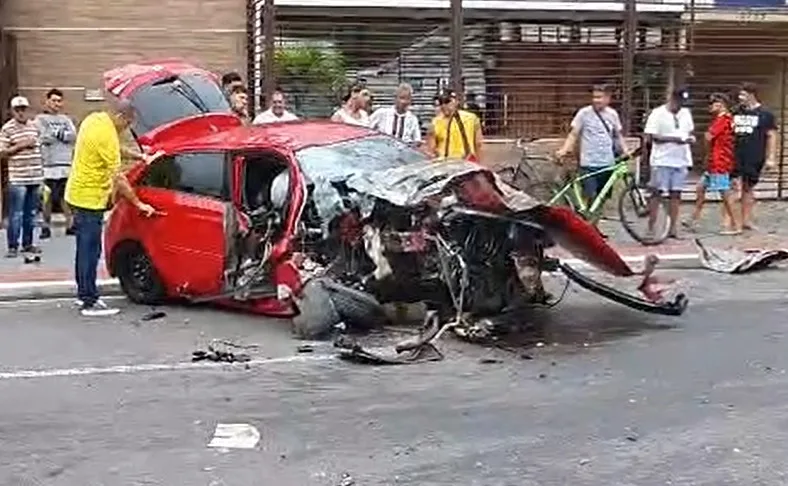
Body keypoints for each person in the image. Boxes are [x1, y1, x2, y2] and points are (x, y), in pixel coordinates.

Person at [65, 98, 157, 317]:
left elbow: (118, 148)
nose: (127, 129)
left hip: (76, 193)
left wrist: (141, 156)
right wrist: (139, 203)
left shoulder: (95, 120)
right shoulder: (106, 135)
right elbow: (119, 179)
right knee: (91, 250)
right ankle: (90, 301)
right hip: (90, 199)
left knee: (83, 249)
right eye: (127, 124)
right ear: (120, 117)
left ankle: (83, 295)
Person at [556, 83, 628, 203]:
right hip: (588, 163)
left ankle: (595, 220)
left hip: (607, 163)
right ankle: (586, 220)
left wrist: (625, 150)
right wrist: (564, 149)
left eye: (599, 97)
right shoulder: (584, 113)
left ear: (607, 99)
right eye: (594, 97)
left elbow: (618, 135)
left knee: (602, 197)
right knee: (590, 196)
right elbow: (573, 134)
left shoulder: (613, 114)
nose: (596, 100)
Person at [644, 87, 695, 239]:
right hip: (662, 159)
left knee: (676, 194)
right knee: (657, 194)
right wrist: (676, 139)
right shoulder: (658, 113)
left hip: (681, 160)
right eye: (678, 102)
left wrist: (689, 139)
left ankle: (673, 228)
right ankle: (651, 227)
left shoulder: (685, 113)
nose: (680, 106)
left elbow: (689, 131)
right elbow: (652, 136)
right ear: (673, 99)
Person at [684, 93, 740, 235]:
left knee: (724, 193)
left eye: (713, 104)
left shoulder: (723, 120)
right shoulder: (723, 119)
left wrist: (707, 153)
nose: (710, 107)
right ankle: (694, 218)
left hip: (719, 160)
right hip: (715, 161)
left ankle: (736, 225)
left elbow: (708, 137)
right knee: (700, 188)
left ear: (721, 105)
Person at [726, 82, 778, 231]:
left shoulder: (765, 114)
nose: (740, 98)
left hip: (754, 155)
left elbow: (771, 135)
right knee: (732, 188)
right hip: (735, 155)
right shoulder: (735, 112)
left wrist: (771, 157)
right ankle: (731, 221)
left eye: (743, 95)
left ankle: (746, 220)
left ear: (751, 95)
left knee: (748, 188)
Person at [0, 96, 44, 258]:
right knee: (16, 213)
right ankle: (13, 246)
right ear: (12, 111)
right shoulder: (7, 129)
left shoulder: (34, 126)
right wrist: (21, 145)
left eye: (23, 109)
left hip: (35, 176)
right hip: (18, 178)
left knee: (31, 213)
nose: (21, 113)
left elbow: (40, 149)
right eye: (17, 110)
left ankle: (28, 244)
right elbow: (2, 152)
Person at [36, 88, 77, 238]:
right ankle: (45, 227)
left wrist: (57, 134)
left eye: (59, 101)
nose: (56, 104)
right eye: (53, 100)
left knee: (65, 197)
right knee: (47, 198)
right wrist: (61, 135)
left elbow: (73, 136)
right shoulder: (40, 119)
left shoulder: (66, 120)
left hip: (65, 165)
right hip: (48, 166)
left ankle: (70, 225)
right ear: (47, 101)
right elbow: (42, 137)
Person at [427, 89, 483, 162]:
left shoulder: (471, 119)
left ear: (456, 101)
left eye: (447, 102)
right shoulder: (435, 122)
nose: (444, 106)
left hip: (466, 164)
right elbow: (432, 150)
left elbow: (478, 144)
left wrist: (478, 165)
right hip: (445, 165)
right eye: (441, 103)